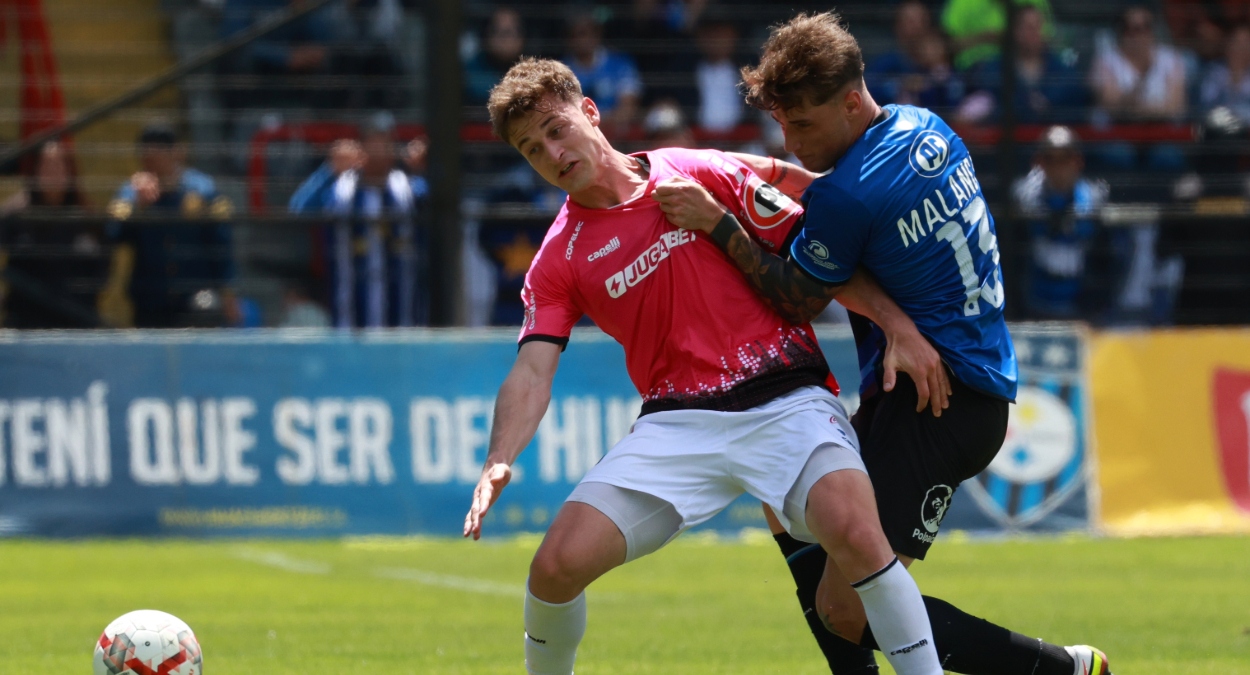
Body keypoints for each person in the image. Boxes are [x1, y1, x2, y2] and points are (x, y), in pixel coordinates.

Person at [655, 12, 1112, 675]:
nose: (793, 141)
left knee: (852, 606)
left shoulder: (849, 194)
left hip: (937, 401)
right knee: (786, 499)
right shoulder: (924, 128)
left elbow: (796, 292)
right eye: (783, 125)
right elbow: (853, 221)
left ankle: (1061, 668)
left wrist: (717, 222)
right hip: (961, 378)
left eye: (803, 125)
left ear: (847, 101)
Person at [464, 57, 949, 675]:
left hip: (788, 398)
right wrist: (498, 457)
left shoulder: (692, 170)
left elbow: (816, 249)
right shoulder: (559, 258)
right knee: (553, 569)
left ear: (590, 112)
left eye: (556, 129)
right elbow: (532, 371)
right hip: (679, 425)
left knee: (856, 534)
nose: (552, 153)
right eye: (533, 149)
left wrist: (897, 322)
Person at [288, 113, 429, 328]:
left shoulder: (408, 189)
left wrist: (426, 168)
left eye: (386, 141)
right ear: (360, 147)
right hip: (350, 323)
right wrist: (329, 170)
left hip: (403, 324)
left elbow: (444, 205)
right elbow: (298, 210)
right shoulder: (341, 191)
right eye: (373, 141)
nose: (379, 149)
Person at [103, 123, 235, 328]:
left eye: (159, 153)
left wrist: (228, 291)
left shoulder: (201, 189)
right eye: (148, 156)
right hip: (151, 300)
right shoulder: (132, 193)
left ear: (177, 153)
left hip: (196, 299)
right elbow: (113, 233)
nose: (153, 162)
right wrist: (139, 208)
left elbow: (221, 243)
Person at [1012, 126, 1108, 320]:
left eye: (1065, 160)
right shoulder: (1024, 197)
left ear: (1078, 162)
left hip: (1081, 309)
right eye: (1051, 160)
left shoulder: (1094, 199)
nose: (1058, 168)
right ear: (1039, 163)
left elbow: (1107, 260)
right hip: (1033, 306)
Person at [960, 5, 1088, 124]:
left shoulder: (1062, 71)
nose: (1035, 33)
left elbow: (1076, 110)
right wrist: (1025, 104)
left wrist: (1047, 104)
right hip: (1009, 144)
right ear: (1015, 31)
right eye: (1028, 27)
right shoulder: (993, 70)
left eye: (1038, 26)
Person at [563, 12, 642, 137]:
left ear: (597, 34)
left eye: (585, 33)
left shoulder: (620, 64)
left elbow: (628, 109)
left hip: (618, 135)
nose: (581, 40)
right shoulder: (562, 71)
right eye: (575, 35)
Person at [940, 0, 1054, 72]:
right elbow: (945, 46)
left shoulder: (1036, 2)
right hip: (975, 68)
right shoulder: (963, 3)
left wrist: (1018, 38)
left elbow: (1047, 37)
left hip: (1023, 63)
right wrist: (985, 38)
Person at [464, 7, 526, 108]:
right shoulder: (470, 74)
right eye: (497, 31)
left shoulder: (533, 73)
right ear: (486, 36)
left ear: (522, 38)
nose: (503, 40)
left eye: (508, 32)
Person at [1199, 24, 1250, 124]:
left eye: (1245, 45)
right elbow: (1206, 106)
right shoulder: (1213, 72)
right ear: (1228, 46)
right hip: (1220, 131)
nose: (1240, 50)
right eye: (1236, 43)